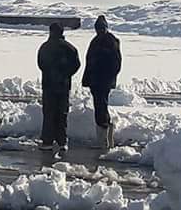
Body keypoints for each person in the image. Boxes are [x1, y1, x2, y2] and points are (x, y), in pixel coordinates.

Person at [37, 23, 81, 151]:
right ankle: (62, 141)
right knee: (62, 113)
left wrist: (50, 73)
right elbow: (76, 64)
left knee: (49, 112)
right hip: (63, 85)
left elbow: (40, 63)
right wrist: (66, 74)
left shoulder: (45, 47)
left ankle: (47, 141)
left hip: (48, 85)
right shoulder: (69, 48)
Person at [82, 15, 122, 150]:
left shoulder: (109, 41)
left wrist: (107, 77)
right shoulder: (97, 41)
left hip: (102, 81)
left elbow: (115, 63)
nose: (99, 30)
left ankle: (103, 139)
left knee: (101, 107)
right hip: (97, 80)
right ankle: (106, 138)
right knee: (100, 106)